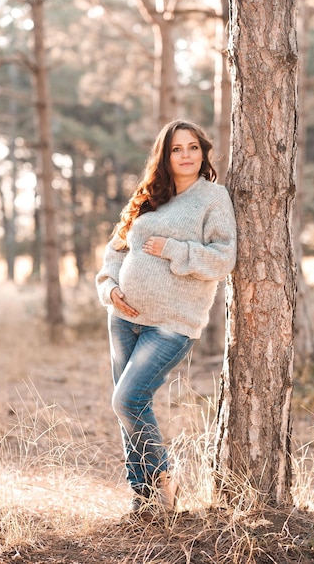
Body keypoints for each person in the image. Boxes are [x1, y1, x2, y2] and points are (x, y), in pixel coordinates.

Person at [95, 119, 237, 519]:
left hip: (172, 323)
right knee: (130, 411)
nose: (186, 155)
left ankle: (162, 477)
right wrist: (109, 288)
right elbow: (115, 253)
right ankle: (143, 504)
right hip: (123, 318)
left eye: (193, 147)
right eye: (177, 149)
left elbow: (224, 258)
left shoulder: (213, 198)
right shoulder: (150, 197)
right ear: (165, 156)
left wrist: (173, 248)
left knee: (127, 400)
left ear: (203, 153)